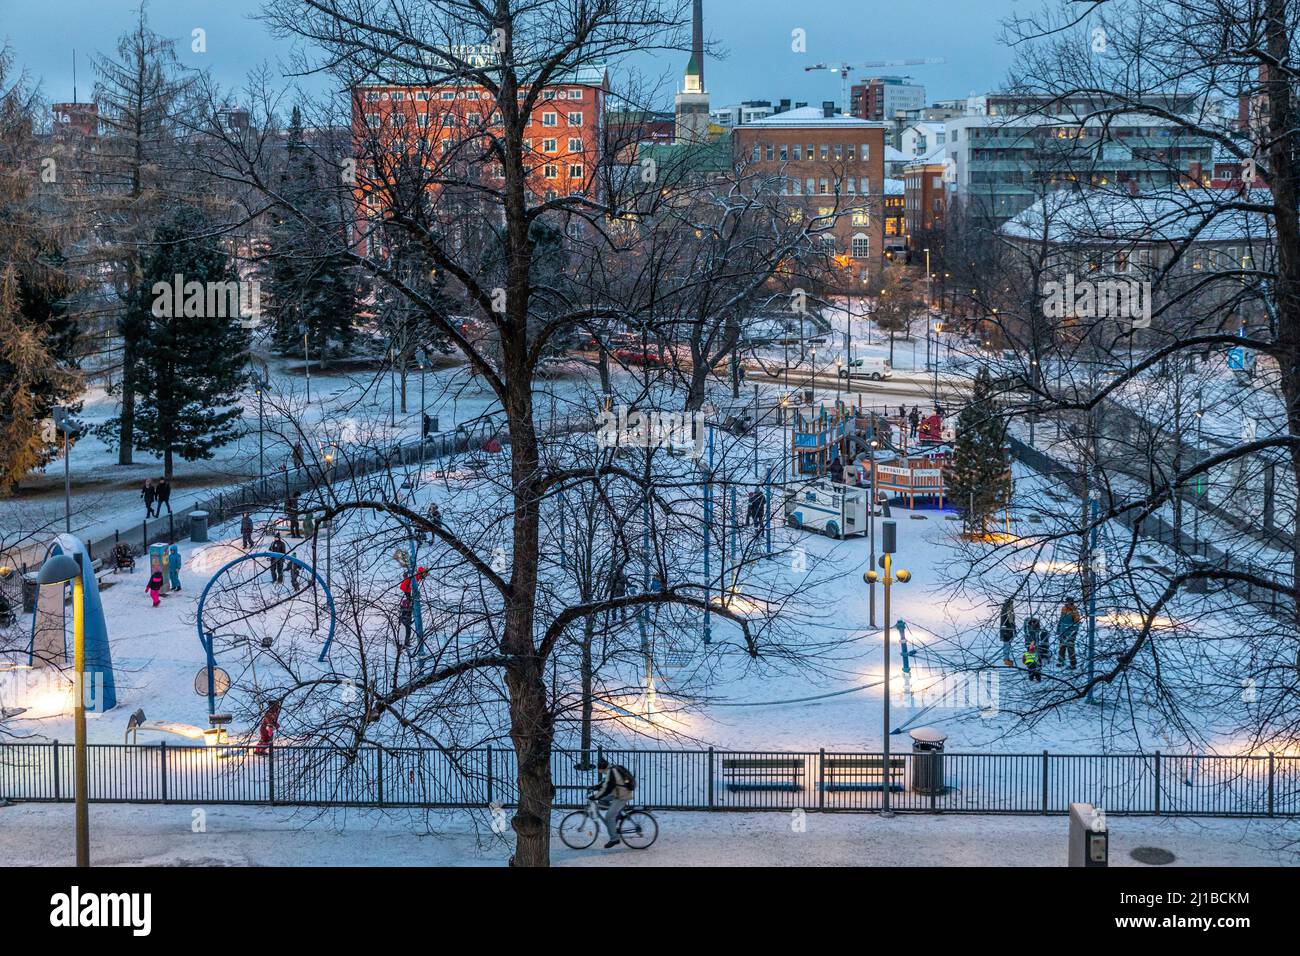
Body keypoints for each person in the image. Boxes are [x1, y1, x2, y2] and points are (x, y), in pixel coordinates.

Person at [588, 757, 635, 849]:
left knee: (609, 816)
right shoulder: (611, 770)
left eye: (599, 769)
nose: (598, 771)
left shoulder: (612, 772)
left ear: (601, 768)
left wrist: (595, 796)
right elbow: (605, 782)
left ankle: (614, 839)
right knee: (603, 800)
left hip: (622, 795)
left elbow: (607, 788)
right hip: (618, 792)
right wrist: (595, 787)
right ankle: (618, 814)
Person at [1057, 599, 1082, 668]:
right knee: (1062, 647)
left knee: (1070, 649)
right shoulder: (1063, 608)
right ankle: (1060, 661)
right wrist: (1058, 629)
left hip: (1071, 633)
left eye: (1068, 602)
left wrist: (1074, 632)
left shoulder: (1075, 611)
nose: (1067, 603)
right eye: (1066, 602)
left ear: (1072, 602)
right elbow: (1061, 620)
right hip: (1063, 632)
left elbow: (1077, 623)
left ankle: (1073, 664)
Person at [998, 598, 1016, 666]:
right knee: (1006, 645)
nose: (1012, 605)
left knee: (1007, 645)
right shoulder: (1007, 610)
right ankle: (1006, 660)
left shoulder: (1006, 610)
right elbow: (1011, 620)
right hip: (1006, 631)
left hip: (1007, 630)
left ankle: (1006, 659)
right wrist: (1012, 629)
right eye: (1011, 604)